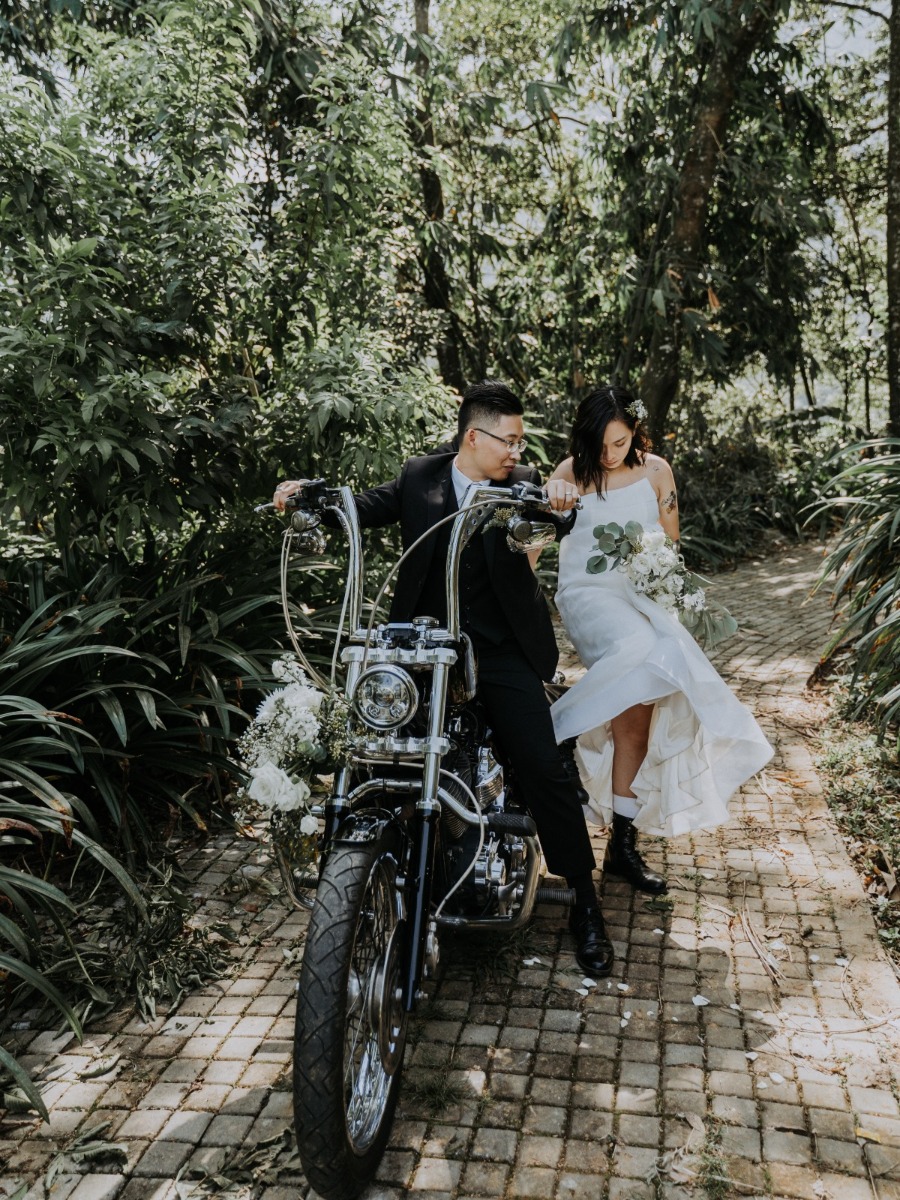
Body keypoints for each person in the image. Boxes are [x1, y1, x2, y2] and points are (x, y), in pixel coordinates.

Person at [274, 380, 615, 976]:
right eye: (508, 439)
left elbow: (550, 515)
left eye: (521, 440)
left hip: (499, 648)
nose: (516, 449)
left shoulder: (524, 484)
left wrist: (558, 499)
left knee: (541, 764)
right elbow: (363, 506)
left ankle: (585, 901)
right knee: (374, 750)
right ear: (473, 437)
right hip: (424, 645)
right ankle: (363, 883)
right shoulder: (420, 476)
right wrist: (310, 495)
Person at [547, 385, 773, 892]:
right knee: (651, 652)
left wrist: (664, 583)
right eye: (600, 444)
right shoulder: (568, 475)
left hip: (641, 597)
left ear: (635, 433)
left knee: (637, 720)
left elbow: (670, 545)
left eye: (620, 443)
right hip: (588, 596)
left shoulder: (657, 472)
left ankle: (623, 847)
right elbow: (532, 548)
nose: (609, 455)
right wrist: (548, 505)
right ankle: (556, 731)